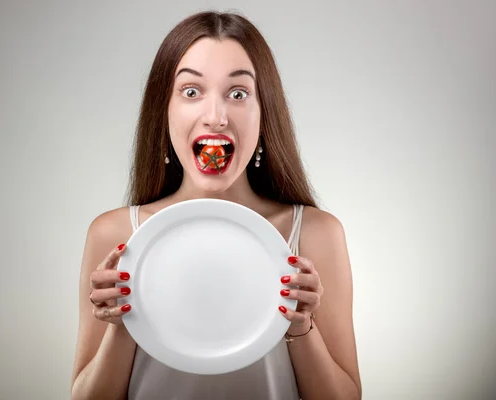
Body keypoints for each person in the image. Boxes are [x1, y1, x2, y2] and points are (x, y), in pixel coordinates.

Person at [71, 10, 361, 400]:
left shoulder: (314, 234)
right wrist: (122, 321)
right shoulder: (116, 235)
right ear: (164, 111)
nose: (216, 117)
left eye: (238, 94)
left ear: (264, 113)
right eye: (191, 92)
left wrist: (299, 325)